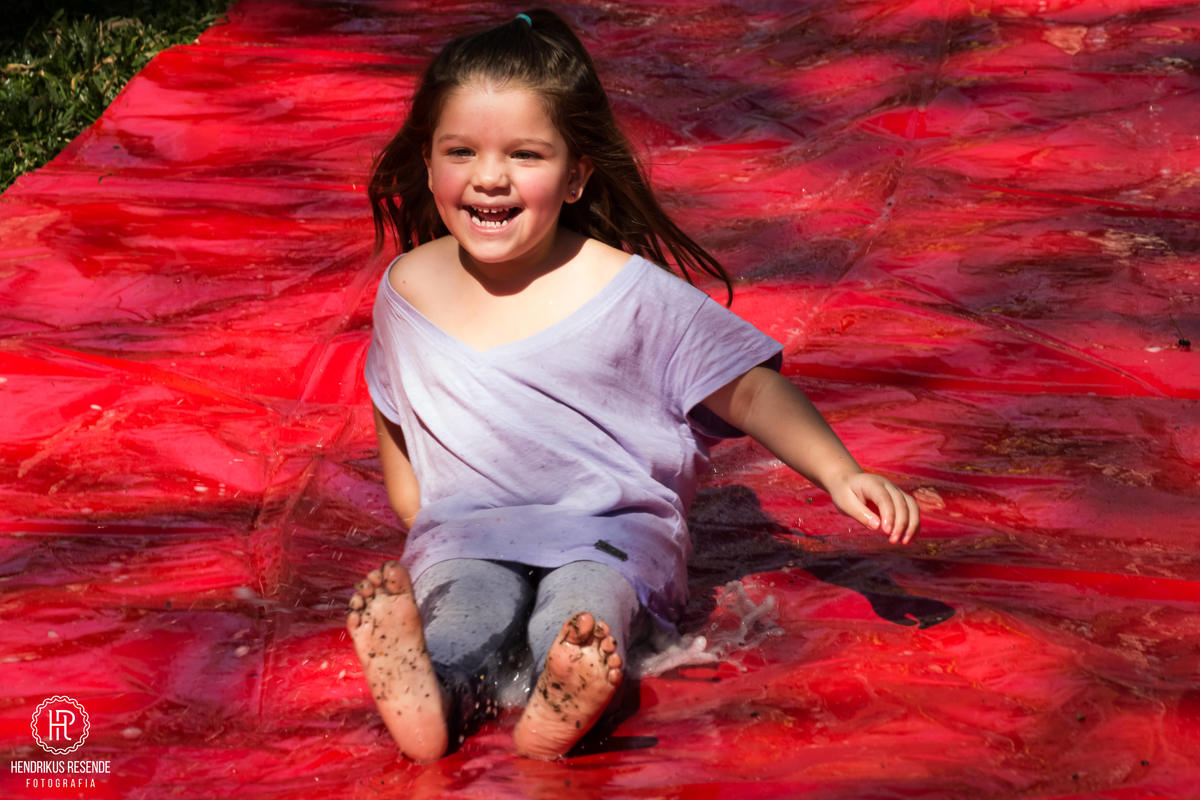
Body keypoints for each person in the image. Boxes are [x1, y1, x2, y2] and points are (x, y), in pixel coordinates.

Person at [346, 8, 920, 763]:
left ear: (577, 173)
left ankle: (568, 699)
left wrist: (840, 472)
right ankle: (432, 700)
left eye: (524, 154)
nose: (489, 176)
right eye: (462, 151)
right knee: (459, 613)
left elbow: (746, 390)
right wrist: (428, 519)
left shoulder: (626, 291)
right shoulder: (408, 290)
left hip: (609, 531)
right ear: (428, 165)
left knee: (585, 615)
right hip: (470, 531)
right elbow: (398, 407)